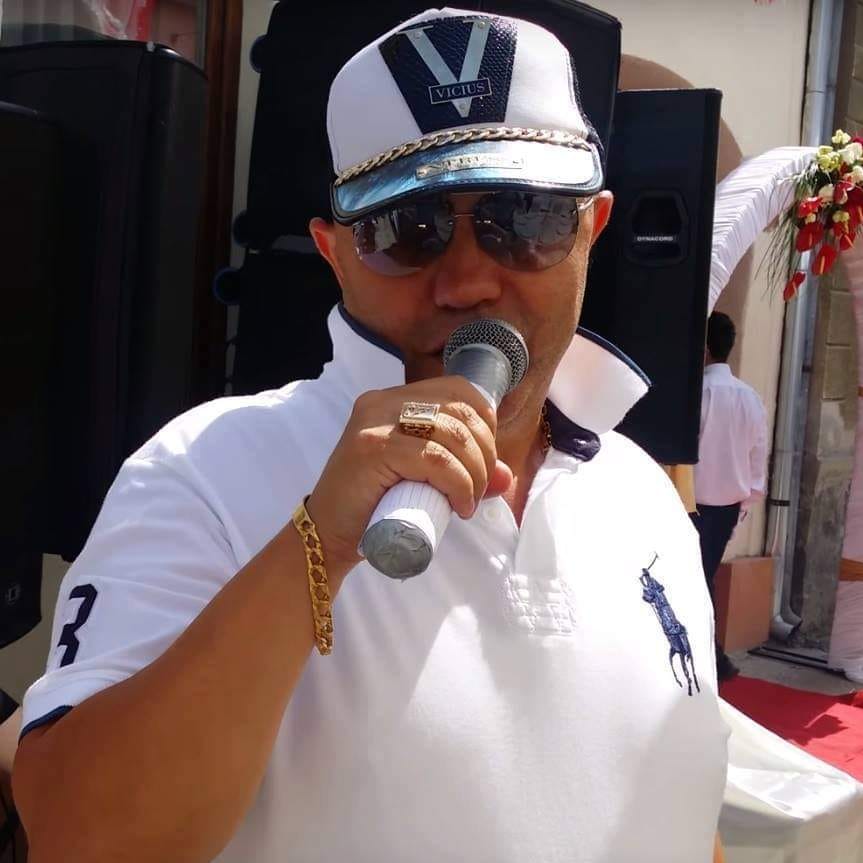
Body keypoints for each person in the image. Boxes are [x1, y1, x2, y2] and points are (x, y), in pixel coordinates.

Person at [14, 9, 729, 862]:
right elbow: (78, 837)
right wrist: (317, 544)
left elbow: (678, 807)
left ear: (591, 228)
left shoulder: (642, 493)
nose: (467, 281)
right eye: (406, 231)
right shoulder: (201, 470)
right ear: (335, 253)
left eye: (522, 216)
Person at [692, 311, 768, 682]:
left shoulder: (698, 394)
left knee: (695, 578)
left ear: (704, 349)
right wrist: (743, 506)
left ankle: (711, 656)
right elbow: (757, 459)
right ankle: (711, 656)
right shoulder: (750, 398)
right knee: (701, 577)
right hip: (726, 507)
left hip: (692, 503)